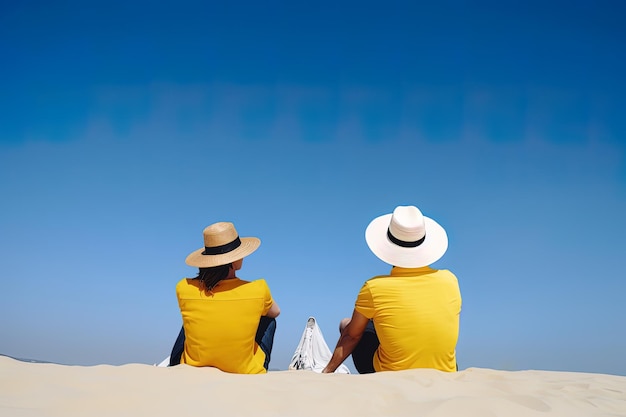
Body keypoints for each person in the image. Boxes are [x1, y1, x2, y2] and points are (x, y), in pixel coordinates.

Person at [322, 205, 461, 374]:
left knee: (347, 324)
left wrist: (327, 371)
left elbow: (352, 336)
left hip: (389, 373)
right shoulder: (450, 280)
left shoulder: (374, 287)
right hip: (446, 372)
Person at [168, 221, 280, 374]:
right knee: (268, 320)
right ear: (233, 260)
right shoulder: (259, 289)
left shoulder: (184, 287)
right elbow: (275, 312)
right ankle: (255, 367)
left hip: (192, 367)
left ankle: (175, 366)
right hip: (244, 372)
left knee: (191, 320)